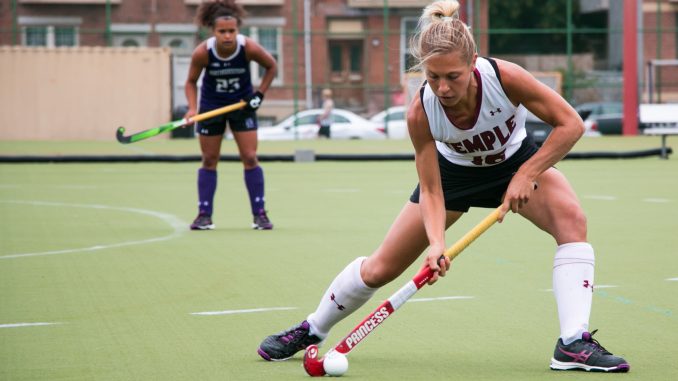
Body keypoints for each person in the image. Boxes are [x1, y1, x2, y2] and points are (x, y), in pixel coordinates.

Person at [257, 0, 630, 373]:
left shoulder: (506, 78)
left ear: (473, 63)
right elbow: (432, 189)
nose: (443, 87)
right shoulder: (421, 111)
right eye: (433, 76)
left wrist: (527, 173)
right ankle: (312, 328)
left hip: (515, 162)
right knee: (380, 268)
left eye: (452, 76)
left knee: (572, 224)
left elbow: (571, 125)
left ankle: (572, 343)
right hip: (454, 177)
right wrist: (436, 244)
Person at [185, 0, 277, 231]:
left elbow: (271, 66)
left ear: (237, 30)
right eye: (222, 31)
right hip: (211, 108)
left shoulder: (248, 48)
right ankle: (204, 215)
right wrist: (192, 108)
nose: (227, 36)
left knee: (250, 156)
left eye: (231, 31)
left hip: (241, 107)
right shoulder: (203, 53)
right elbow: (191, 82)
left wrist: (259, 95)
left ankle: (260, 214)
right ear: (213, 31)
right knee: (209, 160)